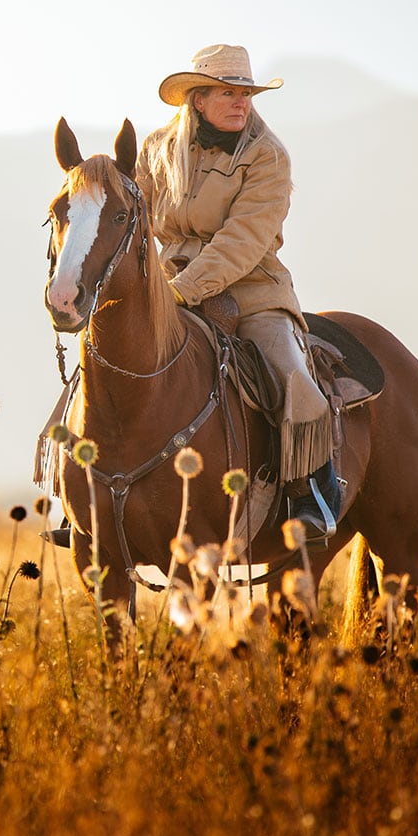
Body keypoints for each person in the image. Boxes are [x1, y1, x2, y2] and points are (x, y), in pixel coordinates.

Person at [134, 44, 339, 546]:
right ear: (198, 100)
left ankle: (313, 493)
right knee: (104, 359)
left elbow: (242, 241)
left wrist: (182, 293)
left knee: (288, 371)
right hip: (167, 283)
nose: (242, 103)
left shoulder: (267, 156)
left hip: (251, 288)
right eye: (229, 93)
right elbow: (135, 220)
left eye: (246, 93)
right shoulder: (156, 149)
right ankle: (82, 491)